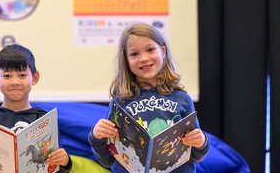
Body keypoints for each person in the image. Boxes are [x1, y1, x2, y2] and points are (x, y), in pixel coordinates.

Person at [88, 23, 210, 172]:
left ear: (163, 51)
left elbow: (197, 154)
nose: (143, 58)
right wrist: (96, 136)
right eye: (134, 54)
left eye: (150, 49)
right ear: (126, 60)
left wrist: (201, 141)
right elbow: (107, 159)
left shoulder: (182, 99)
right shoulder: (120, 102)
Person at [0, 44, 73, 173]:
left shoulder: (45, 120)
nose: (15, 82)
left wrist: (65, 163)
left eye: (22, 75)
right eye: (7, 76)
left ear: (35, 78)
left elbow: (53, 167)